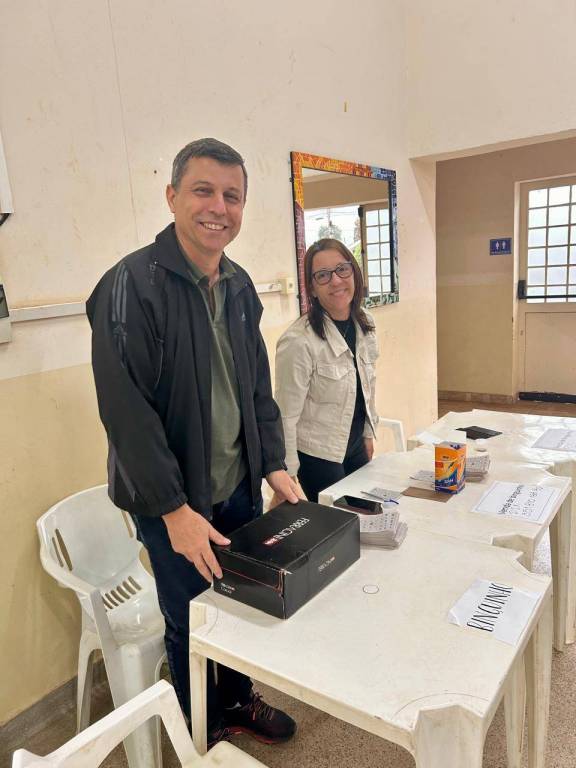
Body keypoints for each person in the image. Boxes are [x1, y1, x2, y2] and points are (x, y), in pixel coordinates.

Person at [86, 138, 299, 746]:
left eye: (233, 196)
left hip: (237, 484)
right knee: (192, 616)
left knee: (238, 603)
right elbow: (126, 415)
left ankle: (236, 699)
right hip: (174, 500)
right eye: (203, 190)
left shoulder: (239, 285)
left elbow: (255, 385)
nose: (218, 208)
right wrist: (172, 510)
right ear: (172, 196)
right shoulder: (129, 285)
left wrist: (273, 464)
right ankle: (200, 731)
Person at [274, 238, 379, 503]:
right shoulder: (299, 341)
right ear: (311, 287)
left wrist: (368, 433)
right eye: (322, 275)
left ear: (354, 272)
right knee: (338, 522)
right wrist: (289, 473)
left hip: (354, 443)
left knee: (367, 515)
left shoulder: (365, 323)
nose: (336, 281)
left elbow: (368, 385)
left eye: (342, 269)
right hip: (318, 454)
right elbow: (285, 415)